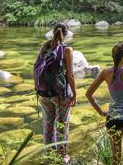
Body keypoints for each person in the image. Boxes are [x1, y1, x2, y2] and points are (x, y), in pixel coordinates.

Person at [33, 22, 77, 163]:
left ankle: (49, 155)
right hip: (61, 94)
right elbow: (70, 75)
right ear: (66, 34)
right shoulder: (67, 50)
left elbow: (37, 67)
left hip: (44, 93)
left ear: (53, 32)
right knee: (61, 124)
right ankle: (62, 155)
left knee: (48, 124)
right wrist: (75, 94)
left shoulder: (45, 46)